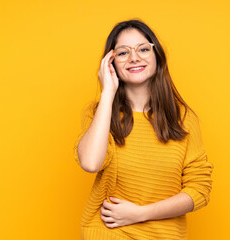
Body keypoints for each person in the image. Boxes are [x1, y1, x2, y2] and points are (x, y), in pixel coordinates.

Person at [73, 19, 214, 239]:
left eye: (143, 49)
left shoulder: (183, 119)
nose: (134, 57)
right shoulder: (100, 113)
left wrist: (140, 214)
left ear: (157, 56)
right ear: (111, 63)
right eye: (122, 53)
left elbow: (199, 190)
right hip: (109, 233)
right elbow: (91, 163)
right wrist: (107, 93)